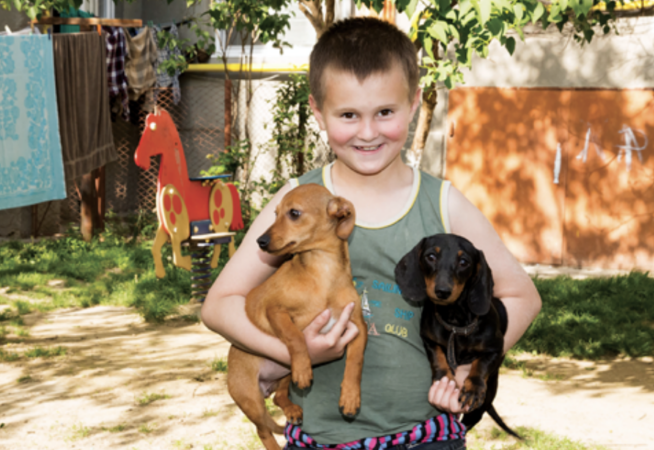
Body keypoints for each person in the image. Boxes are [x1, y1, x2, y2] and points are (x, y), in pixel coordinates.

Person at [201, 17, 542, 450]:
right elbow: (218, 305)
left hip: (426, 437)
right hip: (320, 440)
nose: (367, 132)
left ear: (415, 102)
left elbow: (522, 296)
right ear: (318, 112)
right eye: (348, 115)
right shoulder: (295, 203)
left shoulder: (443, 203)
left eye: (385, 112)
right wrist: (292, 353)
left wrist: (466, 374)